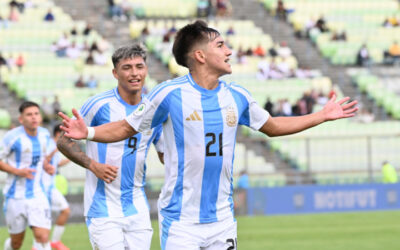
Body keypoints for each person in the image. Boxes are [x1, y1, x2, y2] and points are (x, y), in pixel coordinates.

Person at [58, 20, 358, 250]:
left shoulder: (237, 95)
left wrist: (322, 115)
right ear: (200, 55)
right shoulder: (169, 94)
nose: (229, 51)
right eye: (221, 45)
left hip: (222, 219)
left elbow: (274, 127)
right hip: (180, 221)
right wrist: (91, 132)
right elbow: (126, 127)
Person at [57, 44, 164, 250]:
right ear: (115, 73)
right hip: (102, 208)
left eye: (139, 66)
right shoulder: (98, 104)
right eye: (127, 67)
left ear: (146, 70)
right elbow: (63, 140)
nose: (134, 73)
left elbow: (165, 154)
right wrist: (93, 165)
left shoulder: (154, 111)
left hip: (137, 207)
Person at [0, 101, 54, 250]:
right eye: (29, 115)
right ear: (21, 119)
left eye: (36, 114)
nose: (33, 117)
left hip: (38, 194)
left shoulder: (44, 134)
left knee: (43, 237)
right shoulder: (12, 137)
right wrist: (17, 171)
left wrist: (46, 166)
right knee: (16, 243)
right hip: (15, 196)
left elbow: (41, 158)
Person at [41, 125, 71, 250]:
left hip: (49, 186)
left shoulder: (54, 146)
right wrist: (57, 149)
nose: (68, 138)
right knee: (63, 211)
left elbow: (56, 164)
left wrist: (70, 158)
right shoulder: (49, 144)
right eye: (66, 135)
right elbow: (44, 160)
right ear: (59, 134)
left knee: (46, 217)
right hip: (43, 186)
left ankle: (51, 242)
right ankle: (52, 242)